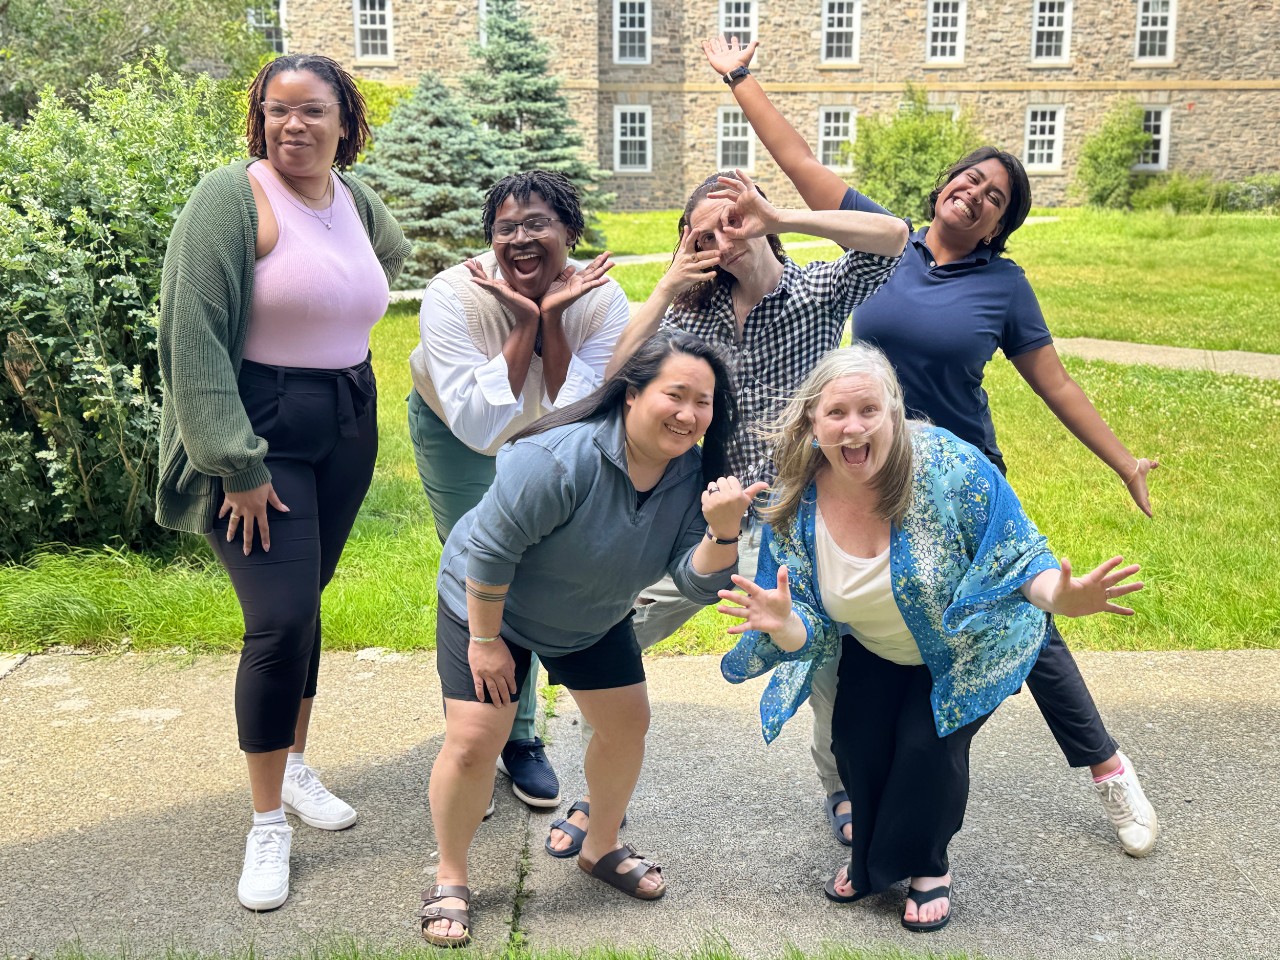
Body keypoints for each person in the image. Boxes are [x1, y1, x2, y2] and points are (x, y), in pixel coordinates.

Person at [702, 33, 1159, 857]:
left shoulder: (1002, 287)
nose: (977, 195)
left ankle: (1108, 769)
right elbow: (796, 158)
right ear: (947, 185)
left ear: (1000, 224)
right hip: (862, 468)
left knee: (1027, 619)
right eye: (971, 179)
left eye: (995, 198)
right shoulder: (882, 239)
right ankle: (860, 789)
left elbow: (1054, 383)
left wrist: (1123, 459)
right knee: (857, 618)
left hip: (955, 480)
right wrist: (740, 77)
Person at [545, 166, 909, 855]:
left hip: (804, 511)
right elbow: (613, 383)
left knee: (829, 653)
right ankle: (602, 794)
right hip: (704, 510)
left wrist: (780, 218)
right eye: (706, 232)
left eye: (734, 222)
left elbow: (893, 236)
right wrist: (665, 285)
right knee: (618, 630)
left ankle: (842, 784)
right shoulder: (688, 311)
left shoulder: (817, 291)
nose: (725, 240)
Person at [720, 344, 1144, 932]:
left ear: (895, 413)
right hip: (877, 644)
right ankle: (871, 863)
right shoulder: (797, 500)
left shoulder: (950, 467)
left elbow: (1018, 556)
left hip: (966, 646)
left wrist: (1061, 598)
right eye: (837, 413)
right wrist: (785, 623)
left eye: (870, 410)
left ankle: (928, 866)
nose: (854, 427)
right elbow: (809, 624)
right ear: (812, 422)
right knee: (856, 744)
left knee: (927, 749)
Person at [155, 54, 411, 911]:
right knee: (279, 620)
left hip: (345, 421)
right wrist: (235, 462)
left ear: (346, 121)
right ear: (260, 119)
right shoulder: (230, 199)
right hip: (259, 432)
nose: (292, 126)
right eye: (277, 111)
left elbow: (382, 260)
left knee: (310, 597)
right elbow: (189, 339)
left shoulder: (354, 199)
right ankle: (267, 824)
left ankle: (295, 765)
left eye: (312, 112)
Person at [420, 331, 763, 947]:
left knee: (627, 724)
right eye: (674, 395)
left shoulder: (695, 476)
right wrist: (486, 640)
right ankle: (450, 874)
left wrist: (723, 531)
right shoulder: (558, 457)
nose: (689, 415)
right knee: (475, 741)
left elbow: (694, 581)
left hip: (590, 616)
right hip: (491, 604)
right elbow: (491, 550)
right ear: (632, 394)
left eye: (703, 402)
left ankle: (600, 847)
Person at [408, 170, 627, 811]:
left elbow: (575, 408)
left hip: (556, 431)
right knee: (482, 569)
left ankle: (513, 732)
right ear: (490, 240)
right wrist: (520, 326)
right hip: (456, 431)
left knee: (536, 567)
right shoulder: (451, 295)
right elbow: (479, 427)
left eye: (538, 225)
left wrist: (550, 319)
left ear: (570, 233)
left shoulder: (600, 297)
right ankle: (505, 734)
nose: (521, 239)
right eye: (506, 228)